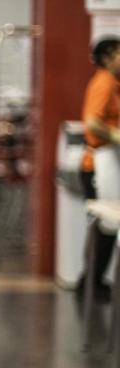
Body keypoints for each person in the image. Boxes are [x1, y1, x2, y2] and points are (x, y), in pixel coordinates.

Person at [76, 37, 120, 302]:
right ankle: (91, 283)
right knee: (104, 226)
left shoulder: (114, 84)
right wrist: (116, 136)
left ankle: (94, 282)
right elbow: (92, 122)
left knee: (108, 227)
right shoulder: (103, 83)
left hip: (109, 163)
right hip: (98, 166)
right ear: (107, 57)